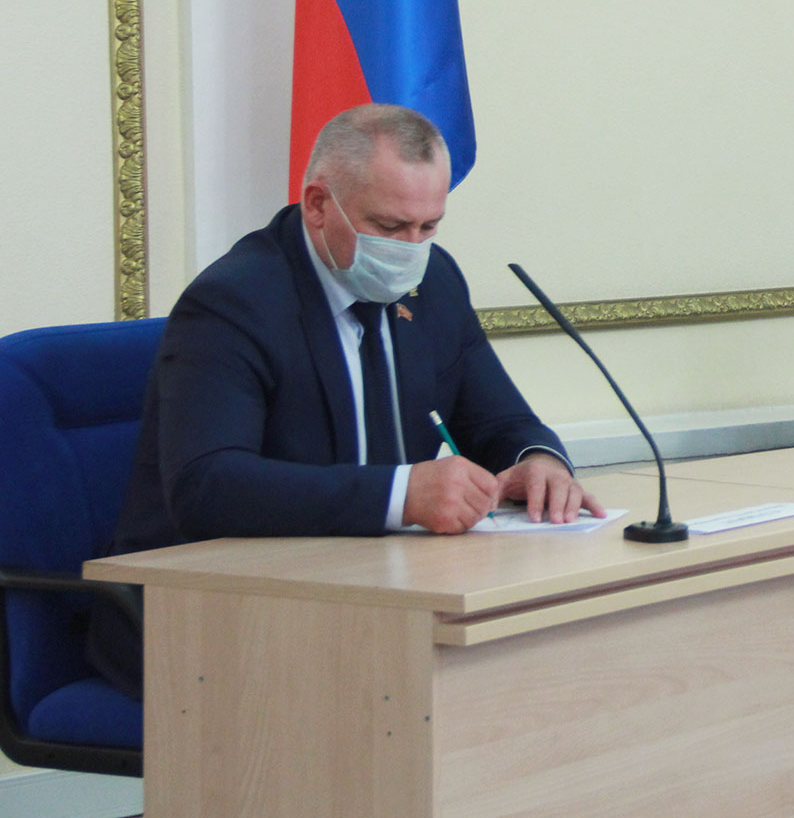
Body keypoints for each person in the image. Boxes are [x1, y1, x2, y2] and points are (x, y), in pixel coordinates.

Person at [92, 104, 600, 697]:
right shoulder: (235, 302)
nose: (411, 249)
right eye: (390, 227)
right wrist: (402, 494)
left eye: (429, 227)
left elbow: (501, 419)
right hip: (206, 611)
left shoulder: (433, 283)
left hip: (374, 594)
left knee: (529, 670)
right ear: (317, 205)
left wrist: (539, 460)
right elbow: (207, 487)